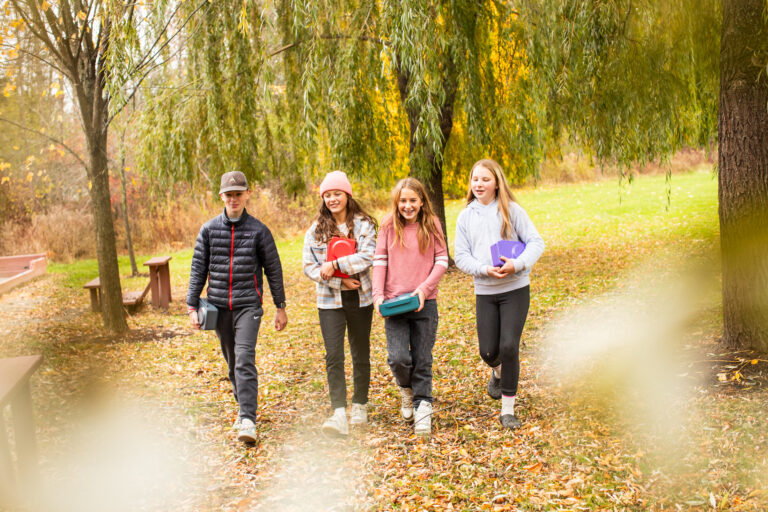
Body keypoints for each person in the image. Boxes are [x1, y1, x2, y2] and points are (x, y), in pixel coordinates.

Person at [187, 171, 288, 444]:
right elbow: (198, 268)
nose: (234, 199)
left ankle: (248, 419)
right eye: (229, 194)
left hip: (248, 306)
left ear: (247, 195)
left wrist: (280, 306)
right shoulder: (208, 230)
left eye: (238, 194)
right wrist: (191, 305)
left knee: (244, 358)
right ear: (221, 196)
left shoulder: (259, 230)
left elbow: (273, 269)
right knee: (232, 363)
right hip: (219, 307)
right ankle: (243, 405)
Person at [454, 159, 545, 430]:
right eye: (475, 179)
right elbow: (460, 256)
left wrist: (516, 264)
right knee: (489, 351)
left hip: (515, 289)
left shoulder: (512, 210)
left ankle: (508, 410)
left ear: (496, 183)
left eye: (485, 179)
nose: (479, 184)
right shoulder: (465, 216)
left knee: (508, 346)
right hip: (485, 290)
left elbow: (536, 243)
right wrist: (483, 269)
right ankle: (496, 371)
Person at [302, 171, 377, 436]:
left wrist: (334, 265)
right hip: (329, 300)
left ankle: (360, 403)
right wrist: (339, 281)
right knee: (333, 354)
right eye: (328, 195)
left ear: (347, 195)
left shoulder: (365, 224)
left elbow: (368, 256)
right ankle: (338, 411)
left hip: (361, 297)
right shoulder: (316, 230)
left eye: (337, 193)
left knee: (360, 351)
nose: (333, 199)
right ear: (323, 198)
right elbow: (309, 267)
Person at [372, 178, 448, 436]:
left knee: (423, 358)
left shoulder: (432, 225)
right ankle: (407, 390)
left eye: (412, 200)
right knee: (399, 358)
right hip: (394, 303)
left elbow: (442, 261)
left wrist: (424, 289)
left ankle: (423, 405)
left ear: (422, 201)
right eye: (403, 201)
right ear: (397, 202)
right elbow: (380, 261)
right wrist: (378, 294)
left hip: (425, 302)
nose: (407, 205)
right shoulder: (388, 226)